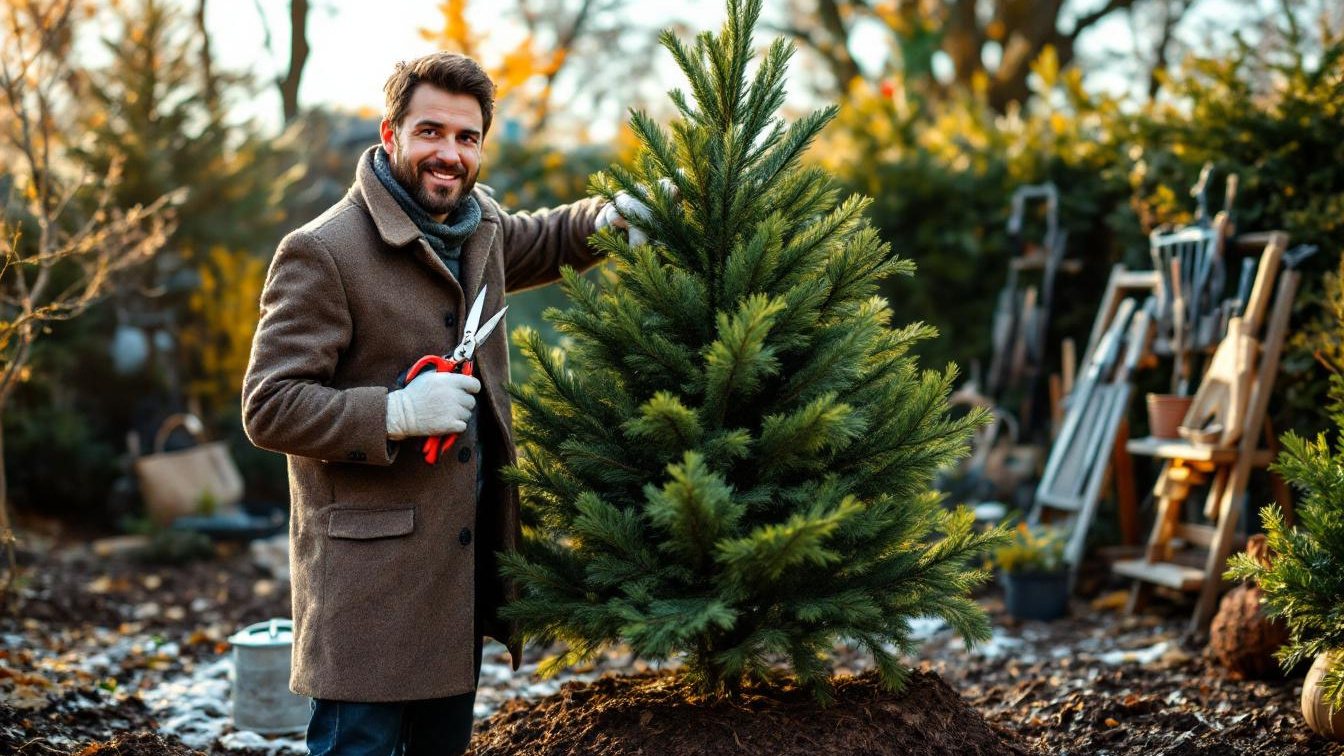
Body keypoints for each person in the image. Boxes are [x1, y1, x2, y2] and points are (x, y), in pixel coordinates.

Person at [241, 52, 636, 755]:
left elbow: (545, 238)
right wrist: (393, 414)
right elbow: (269, 404)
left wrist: (610, 217)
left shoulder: (478, 227)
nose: (449, 154)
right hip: (366, 597)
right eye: (430, 131)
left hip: (454, 586)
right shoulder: (323, 251)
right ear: (390, 133)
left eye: (467, 137)